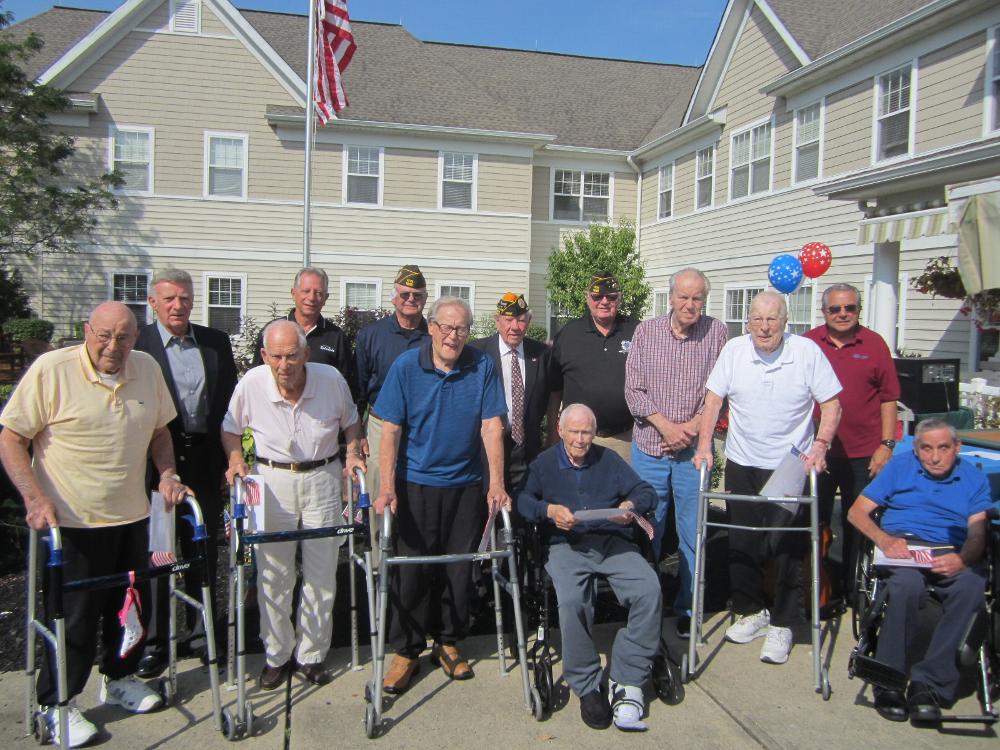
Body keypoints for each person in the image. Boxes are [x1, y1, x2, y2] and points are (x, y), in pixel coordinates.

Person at [0, 302, 188, 747]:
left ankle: (119, 678)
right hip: (72, 522)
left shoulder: (144, 368)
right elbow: (11, 437)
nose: (112, 346)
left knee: (129, 610)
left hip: (132, 515)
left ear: (136, 337)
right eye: (103, 335)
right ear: (87, 331)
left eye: (123, 337)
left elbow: (160, 431)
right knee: (74, 619)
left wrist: (166, 474)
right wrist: (33, 497)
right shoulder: (52, 369)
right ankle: (57, 704)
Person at [695, 290, 842, 665]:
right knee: (742, 540)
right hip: (744, 460)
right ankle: (750, 611)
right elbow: (713, 400)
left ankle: (783, 623)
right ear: (747, 323)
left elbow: (831, 404)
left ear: (785, 321)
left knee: (787, 545)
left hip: (790, 464)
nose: (764, 327)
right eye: (757, 319)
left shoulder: (806, 352)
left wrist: (821, 445)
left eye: (772, 319)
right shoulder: (734, 351)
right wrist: (705, 446)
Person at [373, 297, 508, 694]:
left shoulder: (480, 366)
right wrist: (387, 486)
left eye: (462, 329)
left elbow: (491, 426)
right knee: (412, 569)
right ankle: (407, 651)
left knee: (458, 570)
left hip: (465, 485)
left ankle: (448, 643)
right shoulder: (405, 367)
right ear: (431, 328)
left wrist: (496, 483)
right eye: (446, 328)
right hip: (415, 485)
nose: (453, 336)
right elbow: (390, 430)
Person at [222, 320, 365, 689]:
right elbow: (230, 428)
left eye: (291, 356)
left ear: (305, 353)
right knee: (274, 574)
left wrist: (351, 454)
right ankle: (276, 655)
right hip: (272, 481)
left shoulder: (330, 379)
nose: (284, 365)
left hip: (321, 476)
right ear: (264, 355)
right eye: (276, 357)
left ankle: (311, 655)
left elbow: (351, 423)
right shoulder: (252, 383)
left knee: (321, 571)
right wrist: (236, 459)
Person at [518, 403, 659, 731]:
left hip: (611, 542)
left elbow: (645, 492)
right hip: (566, 544)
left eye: (587, 432)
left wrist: (630, 505)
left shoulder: (607, 460)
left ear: (594, 434)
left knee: (648, 589)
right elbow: (523, 500)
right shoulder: (544, 464)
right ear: (561, 430)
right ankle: (586, 683)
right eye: (575, 432)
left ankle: (627, 679)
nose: (581, 439)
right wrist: (549, 510)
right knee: (571, 601)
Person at [847, 419, 992, 723]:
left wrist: (963, 559)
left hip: (952, 550)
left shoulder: (973, 480)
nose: (935, 457)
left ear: (957, 448)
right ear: (916, 450)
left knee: (971, 588)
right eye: (926, 448)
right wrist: (885, 540)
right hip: (904, 547)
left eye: (943, 448)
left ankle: (930, 684)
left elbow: (978, 533)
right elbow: (856, 512)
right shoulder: (900, 468)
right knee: (906, 587)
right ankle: (888, 680)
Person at [134, 269, 238, 678]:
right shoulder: (138, 346)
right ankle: (156, 642)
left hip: (205, 460)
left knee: (202, 550)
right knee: (159, 553)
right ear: (153, 302)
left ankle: (203, 634)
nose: (178, 305)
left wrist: (232, 459)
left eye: (185, 298)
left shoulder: (215, 343)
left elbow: (230, 408)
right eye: (170, 298)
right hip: (154, 466)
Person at [625, 267, 726, 638]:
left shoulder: (716, 332)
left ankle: (688, 608)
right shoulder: (646, 332)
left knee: (693, 533)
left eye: (697, 297)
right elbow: (633, 391)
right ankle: (645, 608)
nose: (690, 304)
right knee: (647, 530)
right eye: (683, 296)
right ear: (670, 298)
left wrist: (694, 428)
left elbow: (719, 392)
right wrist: (668, 427)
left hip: (693, 454)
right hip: (650, 449)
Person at [803, 283, 900, 601]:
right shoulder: (808, 343)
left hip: (864, 453)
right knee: (815, 521)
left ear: (858, 310)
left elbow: (889, 398)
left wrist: (886, 444)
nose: (843, 314)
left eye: (850, 308)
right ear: (824, 311)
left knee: (858, 523)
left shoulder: (874, 344)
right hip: (819, 452)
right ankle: (819, 589)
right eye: (835, 309)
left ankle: (853, 589)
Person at [354, 264, 430, 509]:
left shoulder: (435, 336)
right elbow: (359, 389)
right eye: (405, 294)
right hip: (380, 424)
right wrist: (356, 436)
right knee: (381, 495)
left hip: (422, 427)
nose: (410, 300)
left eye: (417, 295)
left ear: (425, 299)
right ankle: (380, 546)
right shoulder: (371, 335)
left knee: (418, 495)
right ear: (394, 297)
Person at [547, 271, 638, 463]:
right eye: (597, 296)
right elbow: (555, 389)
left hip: (625, 438)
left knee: (623, 493)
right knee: (575, 492)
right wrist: (553, 433)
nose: (604, 302)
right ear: (587, 298)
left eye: (611, 297)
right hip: (576, 438)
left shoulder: (637, 331)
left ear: (619, 299)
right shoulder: (569, 334)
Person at [469, 292, 550, 492]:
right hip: (484, 447)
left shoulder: (542, 354)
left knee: (523, 509)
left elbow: (553, 392)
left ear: (528, 322)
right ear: (497, 321)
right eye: (509, 320)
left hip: (526, 449)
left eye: (521, 320)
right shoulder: (476, 353)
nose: (515, 327)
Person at [252, 267, 351, 379]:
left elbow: (345, 383)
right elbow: (257, 377)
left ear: (325, 298)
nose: (312, 298)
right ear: (293, 293)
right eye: (306, 291)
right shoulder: (272, 331)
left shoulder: (336, 337)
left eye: (318, 293)